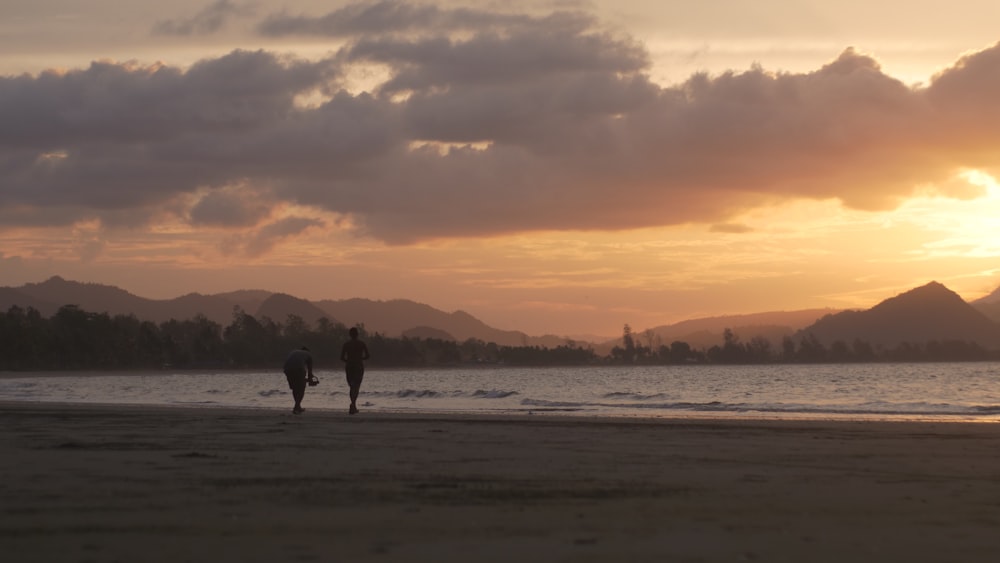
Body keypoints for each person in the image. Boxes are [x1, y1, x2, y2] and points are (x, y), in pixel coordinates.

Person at [340, 327, 370, 414]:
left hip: (349, 366)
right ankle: (353, 404)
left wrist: (349, 361)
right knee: (356, 386)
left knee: (352, 386)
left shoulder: (346, 344)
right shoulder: (361, 344)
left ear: (350, 334)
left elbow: (342, 357)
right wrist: (360, 358)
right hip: (358, 366)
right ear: (357, 334)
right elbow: (368, 356)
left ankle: (353, 405)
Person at [283, 346, 314, 415]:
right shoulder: (309, 355)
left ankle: (298, 406)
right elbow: (310, 371)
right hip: (298, 369)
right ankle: (296, 407)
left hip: (287, 369)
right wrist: (310, 379)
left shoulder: (294, 352)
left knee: (295, 388)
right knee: (301, 389)